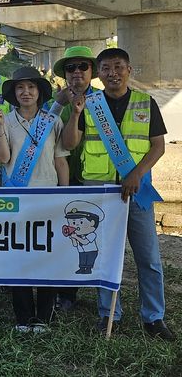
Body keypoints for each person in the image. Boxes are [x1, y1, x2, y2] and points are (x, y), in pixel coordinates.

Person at [62, 47, 175, 340]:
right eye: (106, 69)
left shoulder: (144, 102)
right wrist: (75, 114)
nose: (113, 74)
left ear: (129, 70)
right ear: (98, 74)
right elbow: (71, 144)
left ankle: (154, 318)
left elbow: (158, 146)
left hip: (136, 189)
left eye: (119, 67)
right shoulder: (90, 104)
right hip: (98, 192)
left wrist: (136, 174)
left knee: (148, 257)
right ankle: (109, 314)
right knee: (104, 257)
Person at [0, 67, 69, 332]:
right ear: (14, 93)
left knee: (46, 256)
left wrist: (64, 196)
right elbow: (3, 159)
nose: (26, 92)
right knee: (20, 256)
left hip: (47, 197)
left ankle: (45, 316)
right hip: (16, 198)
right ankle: (23, 317)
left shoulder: (52, 121)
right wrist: (1, 127)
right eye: (20, 88)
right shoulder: (6, 120)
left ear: (40, 92)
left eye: (31, 88)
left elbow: (60, 161)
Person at [51, 45, 99, 310]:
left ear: (91, 71)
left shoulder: (103, 101)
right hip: (61, 178)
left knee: (87, 236)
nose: (77, 72)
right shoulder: (54, 103)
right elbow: (43, 129)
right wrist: (59, 103)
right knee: (64, 236)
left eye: (83, 66)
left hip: (94, 179)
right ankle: (64, 292)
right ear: (65, 74)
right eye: (71, 68)